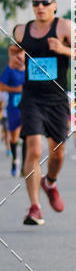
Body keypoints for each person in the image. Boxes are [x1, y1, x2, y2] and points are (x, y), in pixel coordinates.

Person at [14, 0, 72, 226]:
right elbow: (14, 49)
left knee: (57, 154)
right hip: (32, 98)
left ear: (54, 6)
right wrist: (14, 57)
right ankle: (35, 207)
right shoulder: (21, 30)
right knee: (34, 149)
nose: (40, 6)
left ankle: (50, 182)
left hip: (57, 100)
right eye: (36, 2)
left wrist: (63, 49)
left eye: (45, 2)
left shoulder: (64, 27)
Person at [0, 45, 26, 176]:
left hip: (28, 107)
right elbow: (1, 86)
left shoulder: (30, 69)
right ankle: (15, 160)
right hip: (13, 107)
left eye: (21, 54)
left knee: (28, 135)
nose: (19, 57)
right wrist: (16, 90)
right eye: (17, 54)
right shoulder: (9, 70)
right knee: (15, 136)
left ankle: (24, 165)